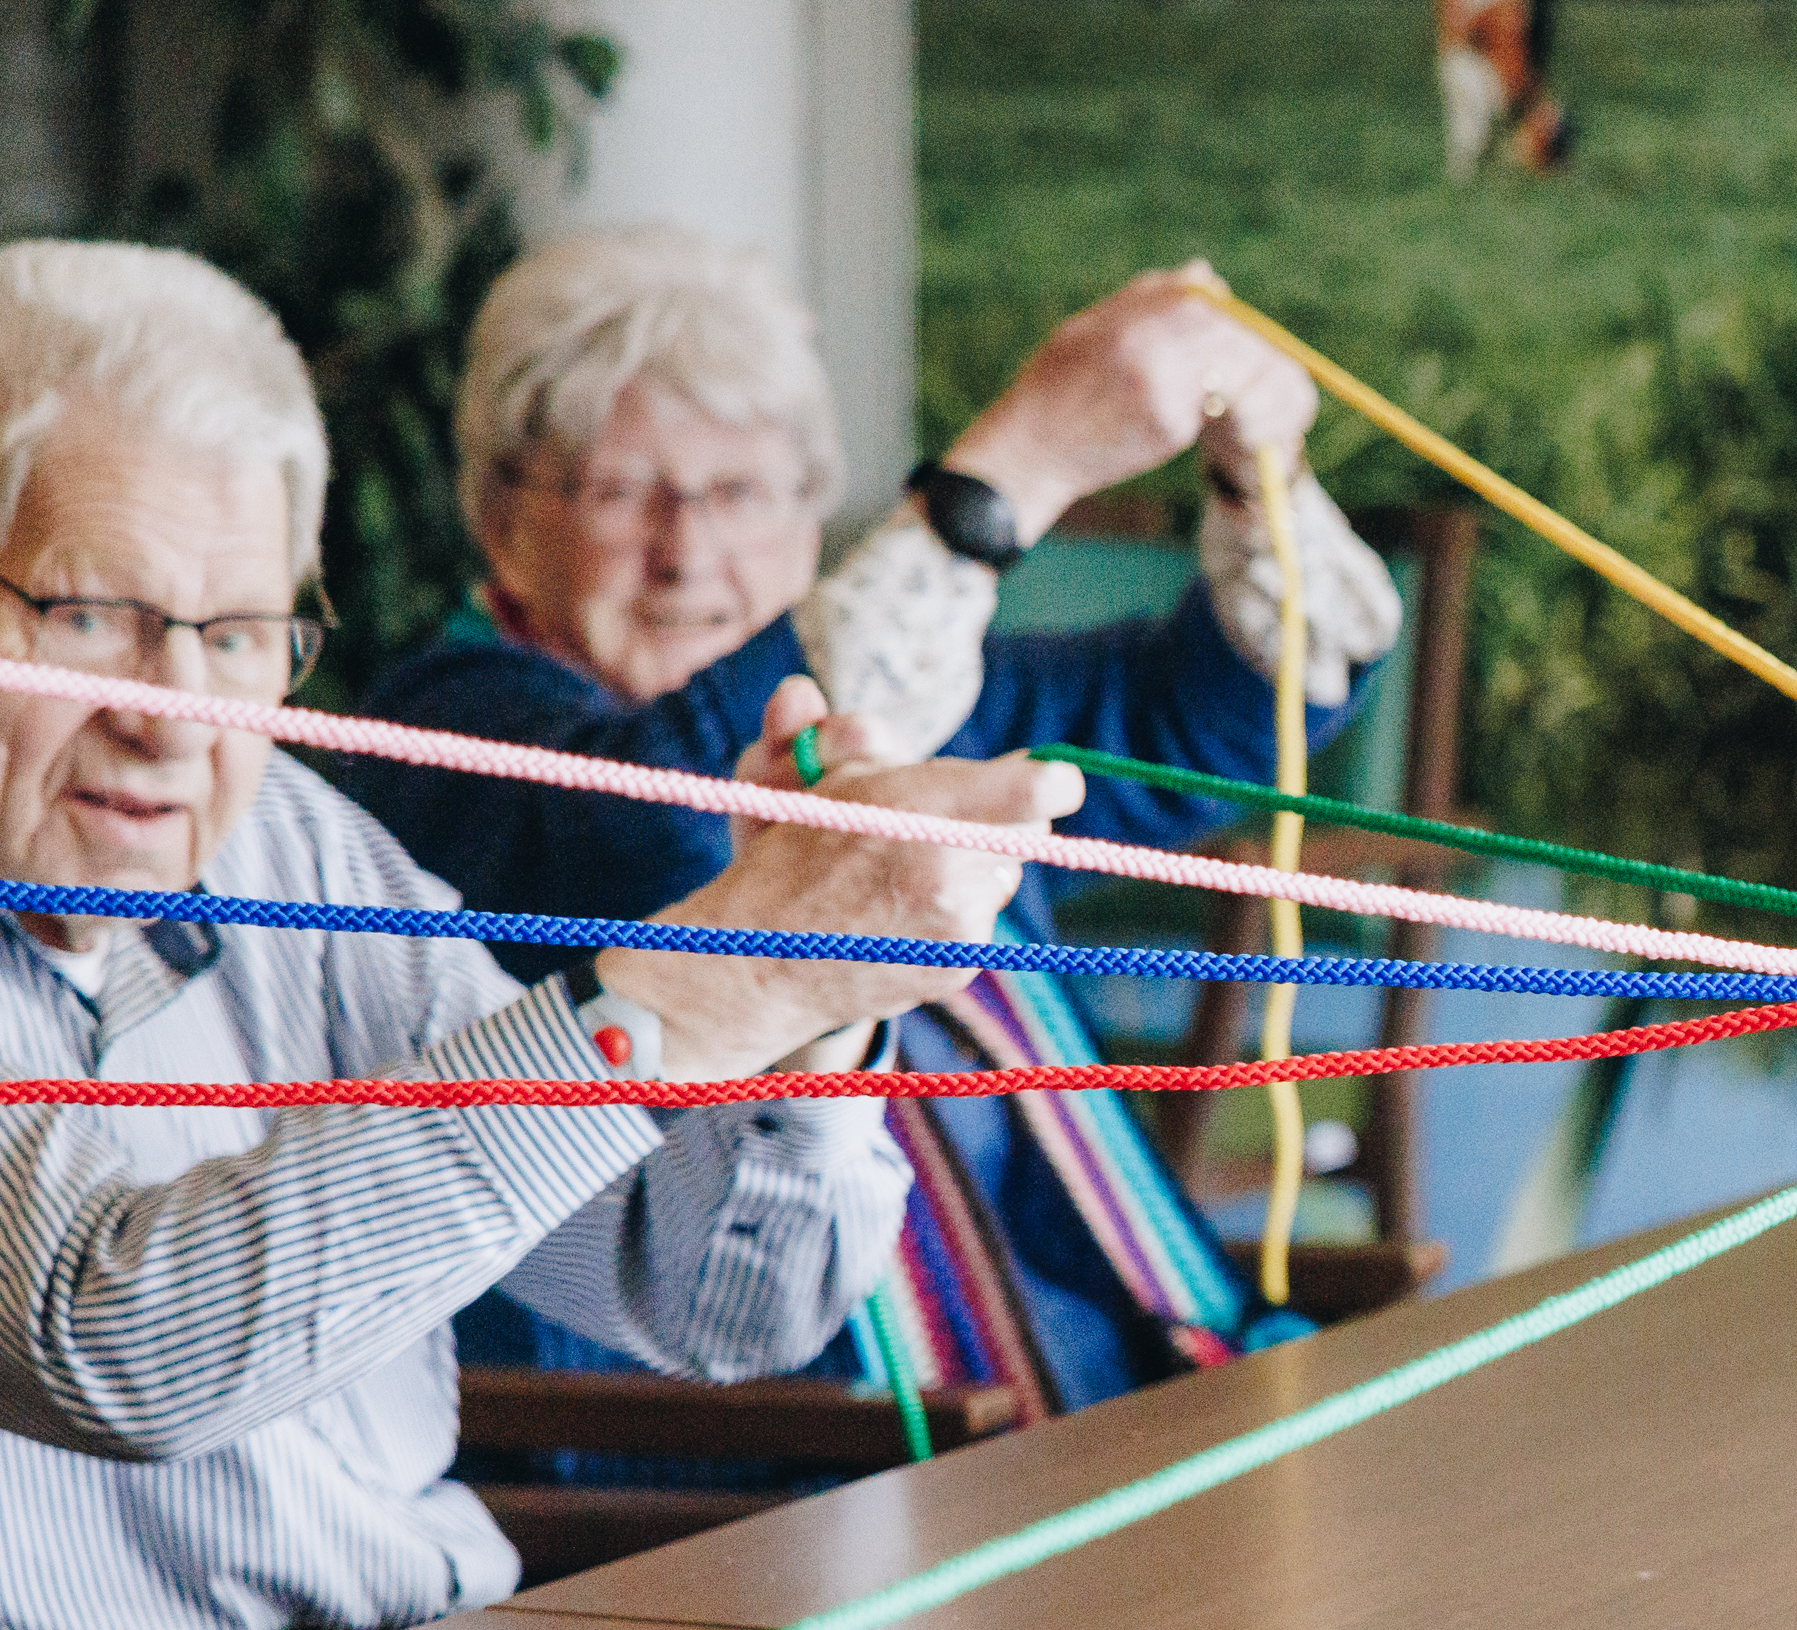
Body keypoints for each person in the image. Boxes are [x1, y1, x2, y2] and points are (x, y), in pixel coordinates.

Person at [0, 241, 1054, 1630]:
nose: (175, 714)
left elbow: (707, 1295)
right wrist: (716, 980)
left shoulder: (289, 840)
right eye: (89, 617)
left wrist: (810, 1022)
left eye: (238, 633)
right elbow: (112, 1339)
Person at [337, 225, 1404, 1409]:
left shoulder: (906, 699)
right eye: (621, 492)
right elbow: (673, 824)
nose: (687, 552)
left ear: (807, 519)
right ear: (500, 521)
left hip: (1111, 1394)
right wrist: (1018, 465)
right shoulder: (446, 728)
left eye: (737, 492)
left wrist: (1248, 471)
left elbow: (1232, 719)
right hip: (788, 1471)